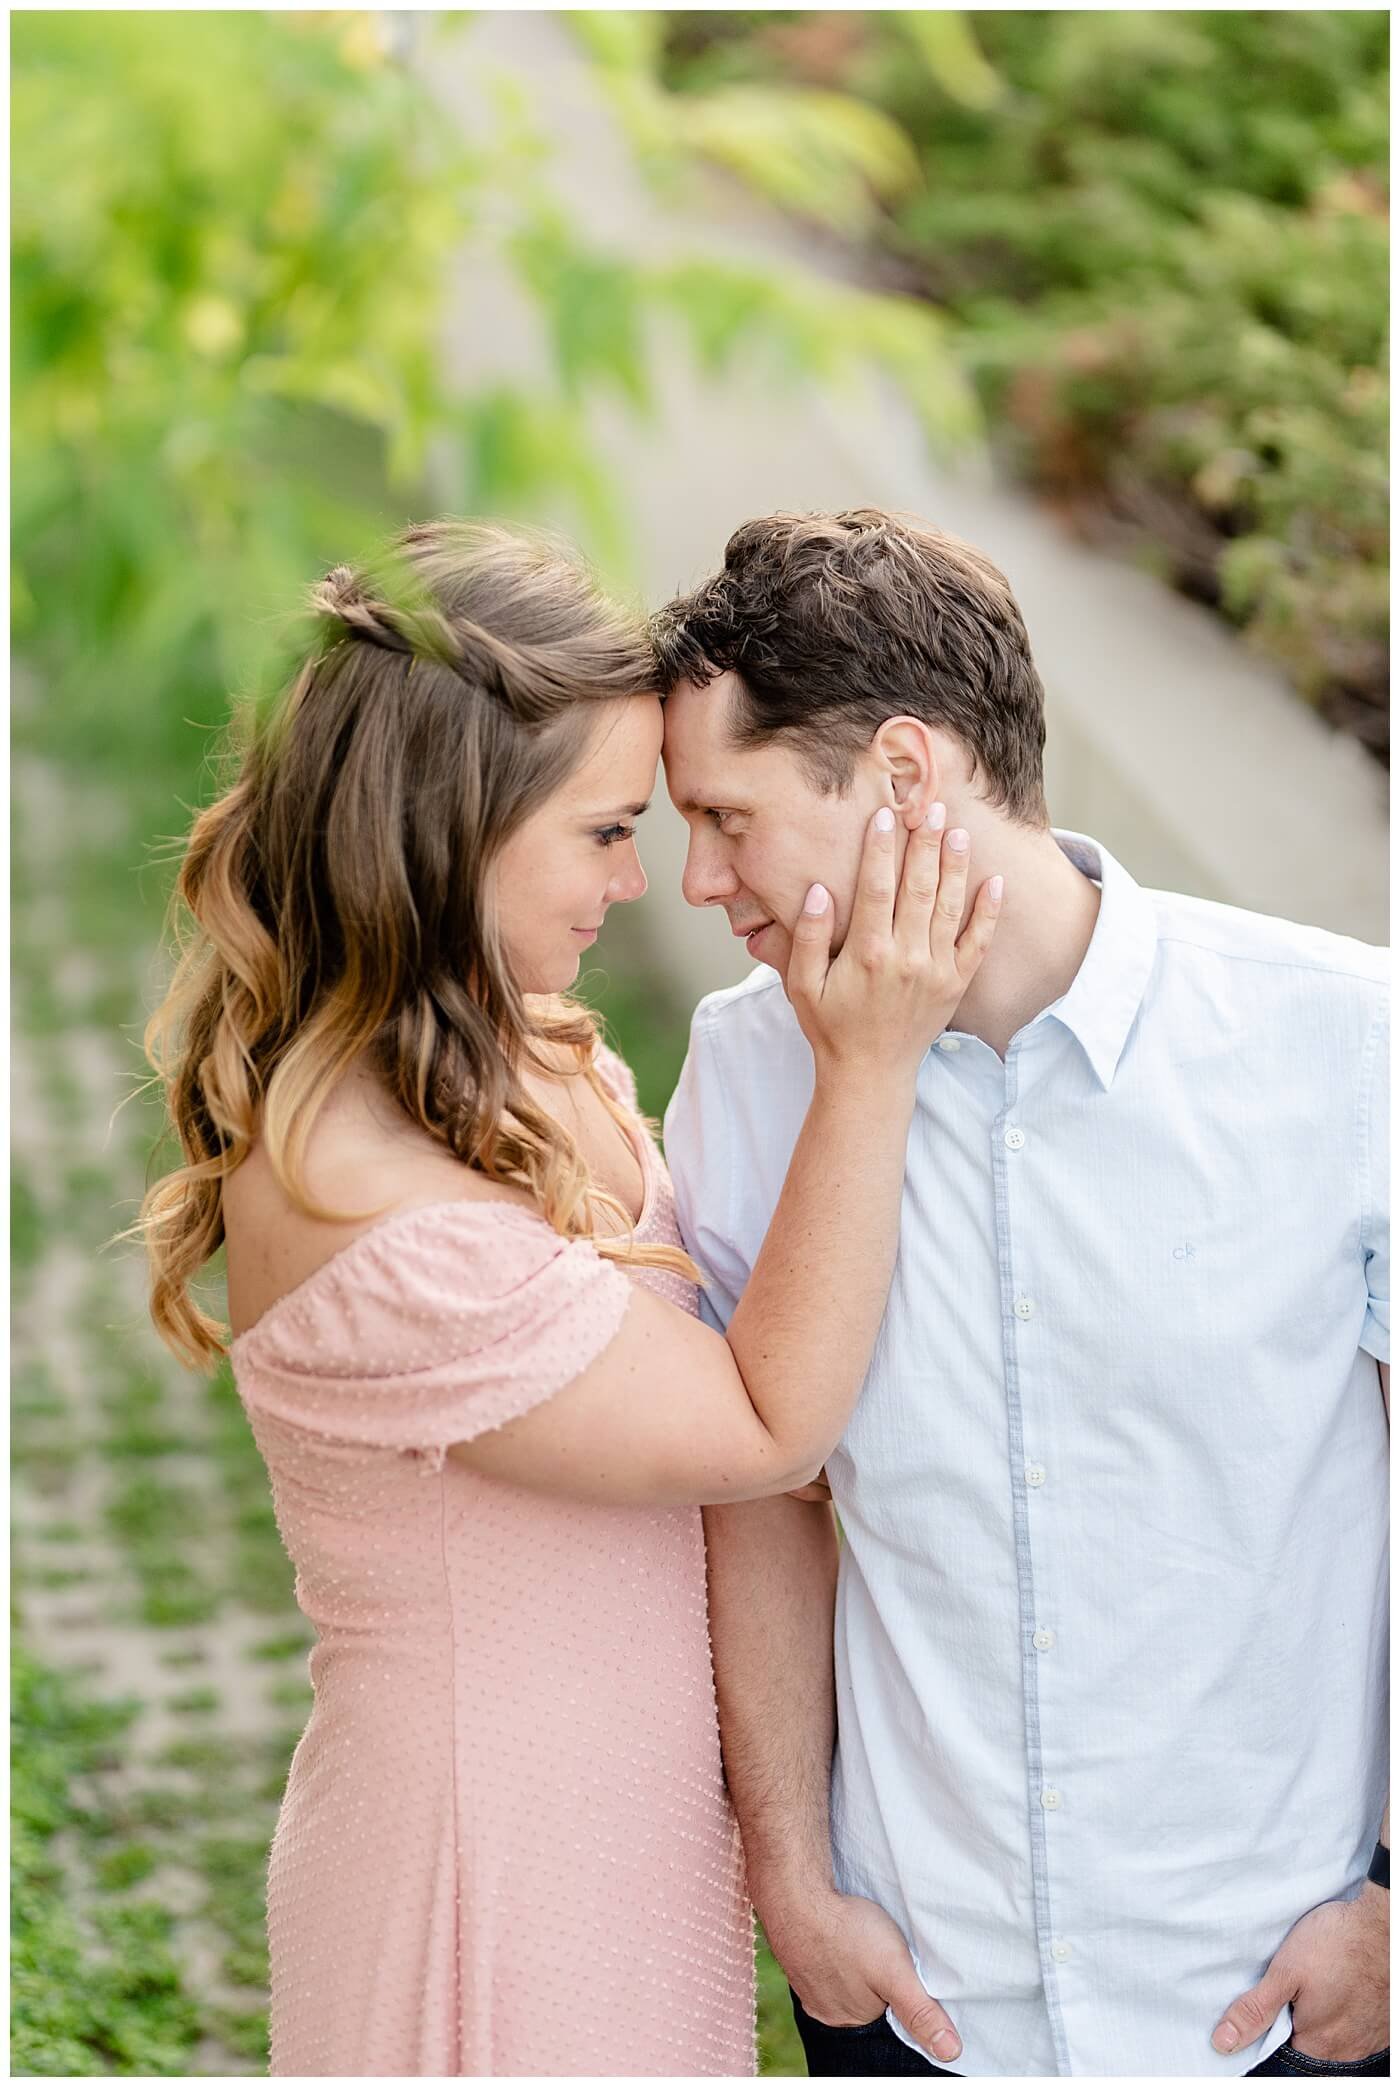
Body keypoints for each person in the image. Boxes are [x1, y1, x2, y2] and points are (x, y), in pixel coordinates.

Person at [135, 517, 1002, 2077]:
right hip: (491, 1867)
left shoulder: (520, 1045)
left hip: (622, 1834)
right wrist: (865, 1066)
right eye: (606, 830)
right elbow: (764, 1421)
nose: (645, 875)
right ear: (452, 834)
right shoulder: (366, 1211)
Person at [655, 508, 1390, 2080]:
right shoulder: (742, 1069)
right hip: (919, 1994)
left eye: (729, 815)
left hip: (1279, 2000)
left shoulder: (1345, 1048)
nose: (702, 878)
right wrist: (792, 1871)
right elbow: (760, 1494)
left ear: (908, 778)